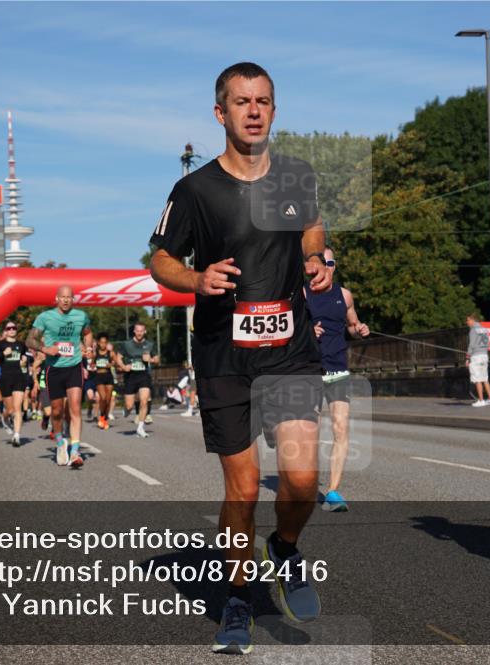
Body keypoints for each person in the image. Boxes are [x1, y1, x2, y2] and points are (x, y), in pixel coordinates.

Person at [150, 61, 330, 655]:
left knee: (302, 479)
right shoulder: (194, 190)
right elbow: (159, 260)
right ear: (220, 112)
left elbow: (312, 227)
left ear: (274, 110)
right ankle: (237, 599)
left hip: (290, 350)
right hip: (224, 354)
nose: (253, 111)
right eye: (241, 101)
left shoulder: (296, 177)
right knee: (244, 488)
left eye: (263, 101)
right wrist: (196, 279)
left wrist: (317, 256)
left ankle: (283, 547)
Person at [306, 247, 369, 512]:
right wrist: (307, 330)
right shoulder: (302, 293)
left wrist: (359, 329)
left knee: (341, 428)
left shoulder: (344, 296)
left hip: (337, 369)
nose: (326, 266)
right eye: (322, 262)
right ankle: (303, 485)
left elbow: (353, 325)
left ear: (333, 266)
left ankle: (332, 491)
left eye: (330, 262)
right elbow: (289, 326)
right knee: (310, 431)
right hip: (309, 369)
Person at [27, 285, 93, 468]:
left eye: (69, 297)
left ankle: (75, 451)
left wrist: (88, 348)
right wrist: (45, 349)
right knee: (56, 412)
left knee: (75, 408)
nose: (65, 300)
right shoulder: (45, 317)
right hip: (54, 369)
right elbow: (30, 339)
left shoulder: (81, 316)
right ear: (56, 298)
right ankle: (60, 442)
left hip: (74, 367)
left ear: (73, 299)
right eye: (62, 297)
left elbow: (88, 333)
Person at [0, 320, 28, 446]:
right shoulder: (0, 344)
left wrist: (25, 361)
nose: (11, 330)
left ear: (16, 330)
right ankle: (4, 419)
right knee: (10, 410)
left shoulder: (21, 344)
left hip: (19, 378)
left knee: (17, 408)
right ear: (5, 331)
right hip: (5, 379)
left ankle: (16, 436)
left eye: (13, 328)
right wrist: (3, 354)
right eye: (9, 328)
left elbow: (25, 359)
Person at [116, 323, 159, 439]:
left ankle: (140, 428)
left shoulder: (150, 344)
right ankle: (127, 409)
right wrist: (124, 367)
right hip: (130, 376)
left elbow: (157, 359)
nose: (139, 333)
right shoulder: (126, 344)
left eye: (141, 331)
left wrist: (150, 359)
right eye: (137, 331)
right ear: (134, 331)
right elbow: (118, 358)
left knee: (144, 401)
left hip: (144, 375)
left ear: (145, 332)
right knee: (129, 406)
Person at [465, 314, 490, 407]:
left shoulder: (473, 330)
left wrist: (467, 358)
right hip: (484, 355)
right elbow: (488, 344)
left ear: (473, 320)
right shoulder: (484, 329)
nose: (467, 322)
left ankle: (481, 400)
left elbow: (471, 345)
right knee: (485, 378)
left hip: (476, 356)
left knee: (477, 379)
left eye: (468, 320)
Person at [93, 333, 118, 429]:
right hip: (99, 376)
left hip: (108, 376)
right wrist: (92, 365)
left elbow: (116, 362)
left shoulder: (110, 353)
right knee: (102, 398)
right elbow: (91, 364)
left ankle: (104, 419)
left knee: (108, 400)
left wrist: (111, 364)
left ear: (107, 343)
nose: (103, 344)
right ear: (98, 343)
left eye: (105, 342)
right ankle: (102, 416)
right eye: (101, 342)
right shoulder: (95, 353)